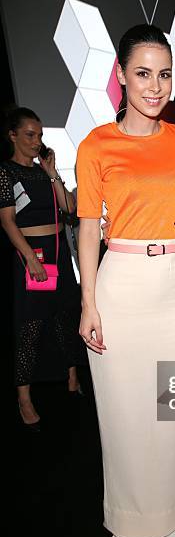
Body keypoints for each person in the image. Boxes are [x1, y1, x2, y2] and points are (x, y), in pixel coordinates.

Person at [76, 24, 175, 537]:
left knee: (171, 410)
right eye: (143, 73)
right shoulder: (95, 144)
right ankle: (126, 513)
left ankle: (168, 508)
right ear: (120, 75)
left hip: (172, 285)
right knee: (123, 412)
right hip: (118, 283)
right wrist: (87, 304)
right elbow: (86, 227)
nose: (155, 86)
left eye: (165, 74)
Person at [0, 107, 81, 432]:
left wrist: (52, 173)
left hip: (58, 252)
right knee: (30, 327)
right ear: (13, 135)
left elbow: (69, 208)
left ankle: (73, 378)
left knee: (65, 316)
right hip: (30, 255)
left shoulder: (42, 171)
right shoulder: (6, 172)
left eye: (40, 135)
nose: (37, 142)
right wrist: (31, 260)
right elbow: (7, 220)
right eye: (30, 135)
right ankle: (24, 398)